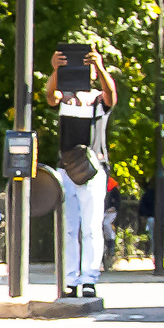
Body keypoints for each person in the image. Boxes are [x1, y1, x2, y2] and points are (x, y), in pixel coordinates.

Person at [45, 40, 119, 299]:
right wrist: (55, 70)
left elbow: (111, 94)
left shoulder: (98, 100)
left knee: (90, 226)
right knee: (68, 227)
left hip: (92, 169)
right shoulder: (65, 97)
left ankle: (89, 278)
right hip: (66, 168)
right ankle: (69, 279)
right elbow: (50, 96)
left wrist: (100, 67)